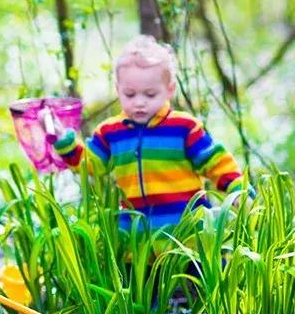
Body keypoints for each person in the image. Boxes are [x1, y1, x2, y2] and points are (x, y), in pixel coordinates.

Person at [47, 35, 251, 234]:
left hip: (187, 235)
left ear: (169, 90)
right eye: (130, 94)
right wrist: (64, 141)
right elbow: (90, 164)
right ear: (118, 90)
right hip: (136, 239)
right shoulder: (110, 132)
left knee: (197, 269)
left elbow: (216, 161)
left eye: (150, 94)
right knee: (136, 269)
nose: (139, 102)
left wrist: (237, 190)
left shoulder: (184, 127)